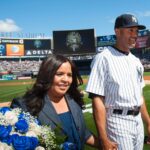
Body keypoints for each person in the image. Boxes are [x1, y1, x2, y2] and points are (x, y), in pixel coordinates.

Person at [86, 13, 150, 150]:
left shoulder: (136, 61)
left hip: (137, 121)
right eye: (130, 30)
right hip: (117, 122)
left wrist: (148, 123)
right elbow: (97, 99)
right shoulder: (103, 58)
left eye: (136, 31)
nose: (135, 35)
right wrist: (103, 138)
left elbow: (140, 96)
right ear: (117, 31)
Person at [11, 54, 99, 149]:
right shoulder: (25, 105)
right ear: (47, 75)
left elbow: (82, 133)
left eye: (69, 75)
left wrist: (105, 144)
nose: (66, 80)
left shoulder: (73, 99)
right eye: (59, 74)